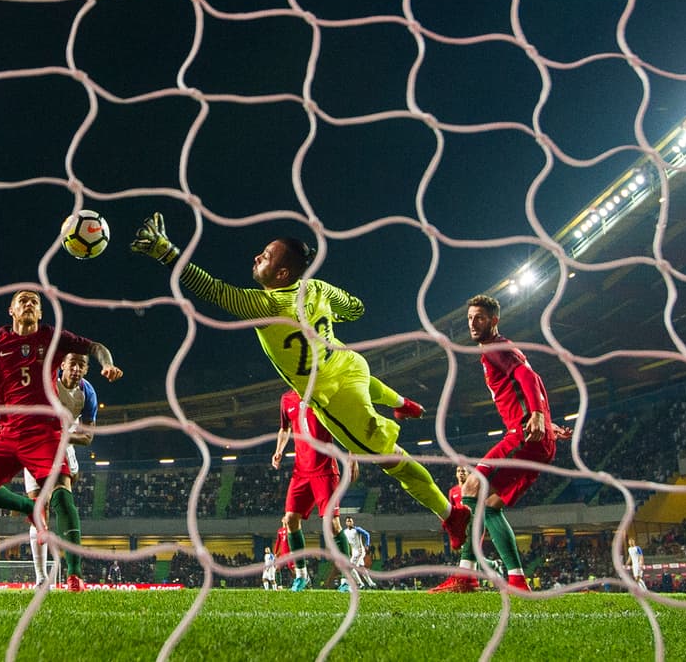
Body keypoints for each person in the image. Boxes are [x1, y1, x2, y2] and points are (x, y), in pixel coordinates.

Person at [130, 216, 470, 548]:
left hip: (334, 397)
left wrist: (167, 252)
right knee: (364, 388)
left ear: (281, 273)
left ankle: (450, 514)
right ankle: (401, 404)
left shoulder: (266, 304)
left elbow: (214, 290)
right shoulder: (317, 287)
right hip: (351, 364)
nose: (256, 257)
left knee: (394, 462)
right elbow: (356, 309)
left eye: (264, 256)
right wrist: (338, 310)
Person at [0, 289, 123, 593]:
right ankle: (30, 508)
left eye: (35, 301)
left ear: (40, 313)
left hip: (44, 432)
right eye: (23, 300)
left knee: (63, 493)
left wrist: (106, 364)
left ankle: (74, 575)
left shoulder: (52, 337)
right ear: (11, 310)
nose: (29, 303)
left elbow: (95, 347)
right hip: (8, 433)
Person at [429, 294, 571, 594]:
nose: (472, 323)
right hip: (537, 441)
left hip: (522, 436)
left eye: (479, 317)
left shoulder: (495, 347)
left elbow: (528, 377)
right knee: (489, 507)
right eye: (469, 318)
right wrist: (546, 422)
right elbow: (530, 383)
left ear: (494, 320)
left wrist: (535, 415)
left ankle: (464, 577)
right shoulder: (500, 349)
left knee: (469, 490)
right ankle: (517, 580)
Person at [23, 351, 99, 588]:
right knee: (38, 512)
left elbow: (87, 438)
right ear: (62, 365)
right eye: (72, 364)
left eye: (82, 365)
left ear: (86, 370)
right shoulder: (45, 381)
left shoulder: (87, 393)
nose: (76, 369)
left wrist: (61, 436)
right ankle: (41, 578)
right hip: (34, 446)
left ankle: (74, 574)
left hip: (63, 448)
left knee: (63, 502)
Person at [271, 388, 358, 591]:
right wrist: (279, 450)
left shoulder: (322, 392)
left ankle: (347, 578)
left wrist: (352, 458)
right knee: (291, 519)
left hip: (325, 470)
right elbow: (285, 429)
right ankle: (302, 576)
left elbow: (347, 424)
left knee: (333, 524)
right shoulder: (286, 399)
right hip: (300, 471)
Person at [342, 515, 378, 589]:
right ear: (345, 523)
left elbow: (367, 534)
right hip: (354, 551)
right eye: (348, 521)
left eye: (350, 521)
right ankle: (372, 584)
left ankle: (360, 584)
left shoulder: (357, 529)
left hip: (359, 551)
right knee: (362, 568)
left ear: (352, 522)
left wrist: (367, 544)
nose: (349, 522)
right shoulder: (345, 532)